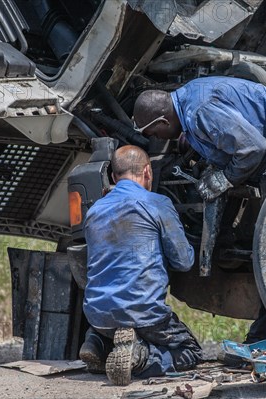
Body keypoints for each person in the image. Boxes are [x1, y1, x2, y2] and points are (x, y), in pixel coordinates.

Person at [132, 76, 266, 350]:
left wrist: (225, 179)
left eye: (153, 134)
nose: (157, 139)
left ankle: (263, 340)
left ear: (162, 122)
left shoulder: (199, 112)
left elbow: (252, 148)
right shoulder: (187, 103)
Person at [79, 145, 202, 386]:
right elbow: (184, 261)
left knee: (115, 326)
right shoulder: (157, 203)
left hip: (97, 315)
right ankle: (140, 358)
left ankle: (98, 343)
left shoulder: (93, 210)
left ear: (114, 177)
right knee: (190, 351)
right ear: (147, 172)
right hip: (143, 313)